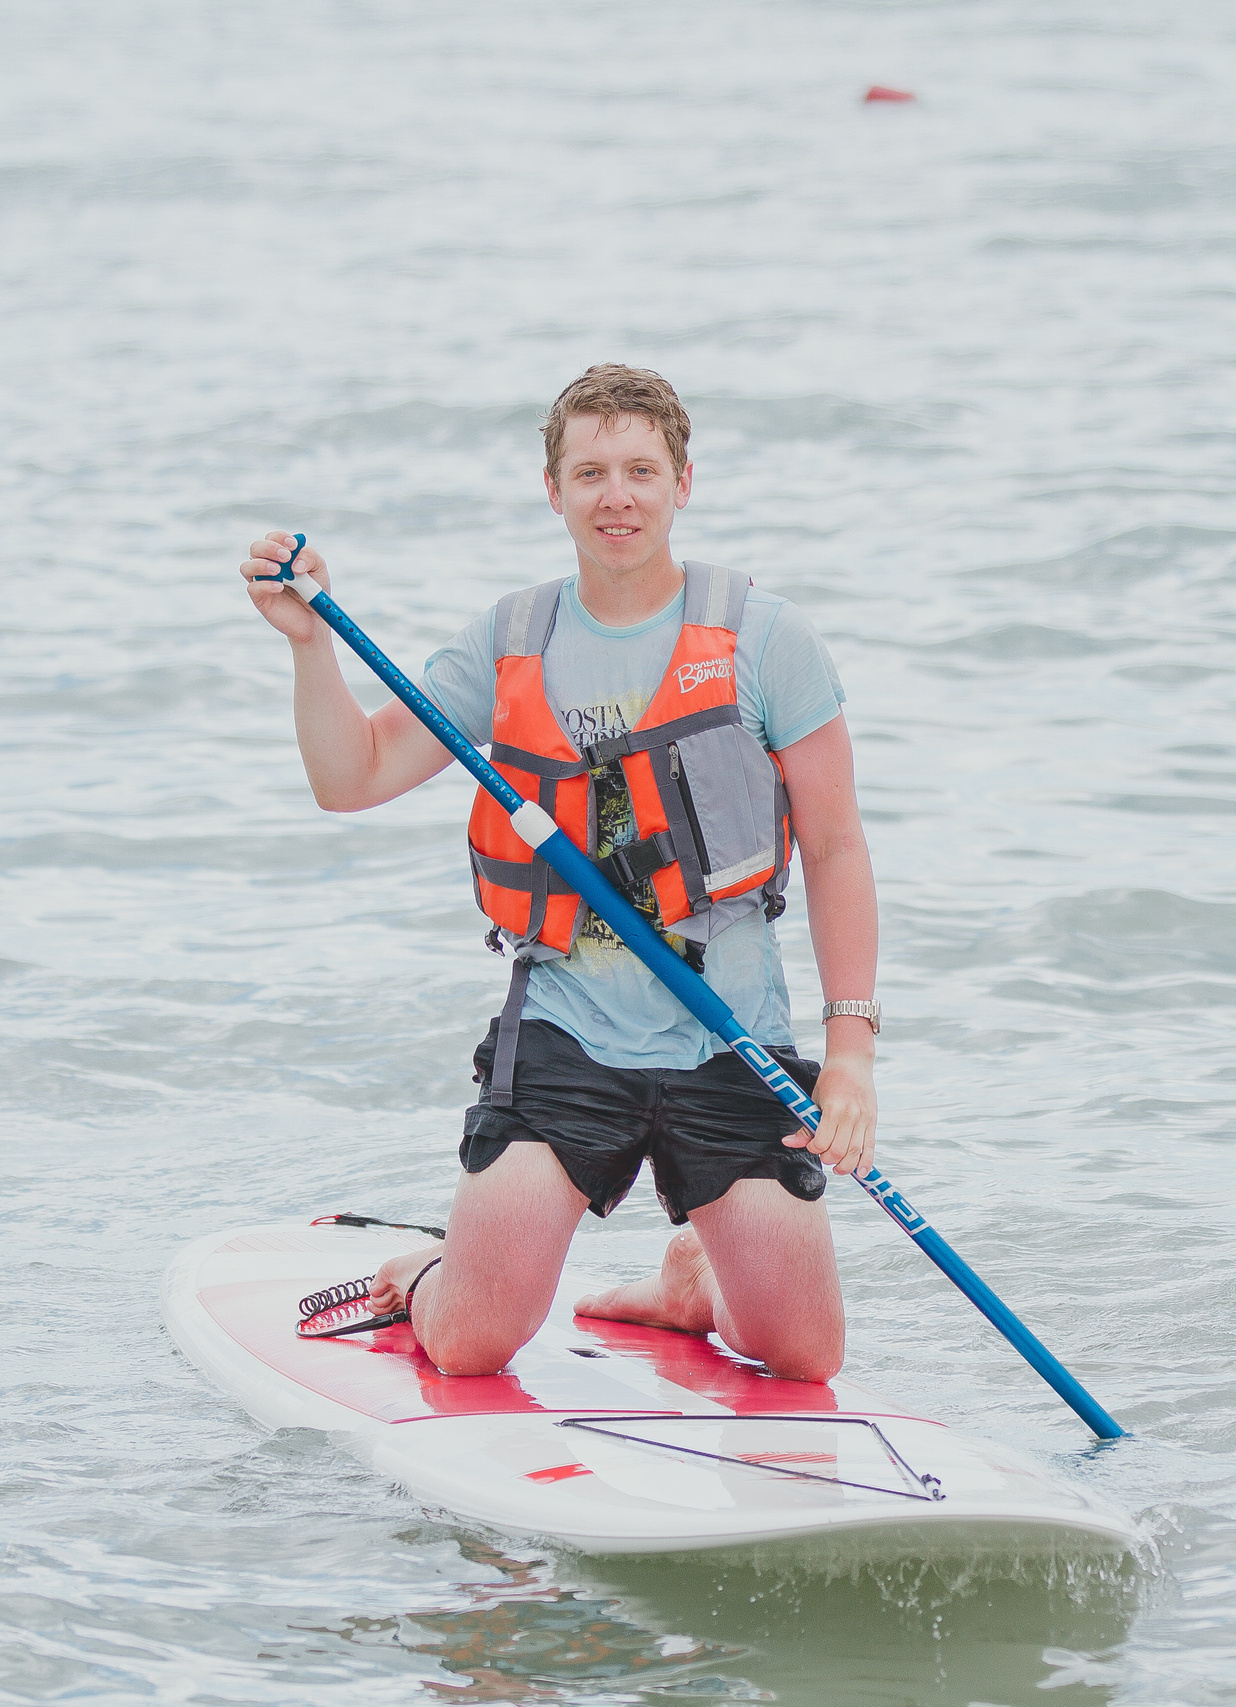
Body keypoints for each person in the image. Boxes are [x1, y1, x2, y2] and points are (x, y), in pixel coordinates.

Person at [235, 364, 880, 1382]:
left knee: (803, 1357)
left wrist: (849, 1057)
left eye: (638, 470)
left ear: (682, 482)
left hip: (730, 1036)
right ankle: (427, 1272)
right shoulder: (509, 642)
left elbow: (838, 848)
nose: (615, 495)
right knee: (470, 1345)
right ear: (554, 490)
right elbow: (349, 778)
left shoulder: (766, 639)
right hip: (568, 1036)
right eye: (589, 473)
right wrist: (310, 646)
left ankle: (687, 1283)